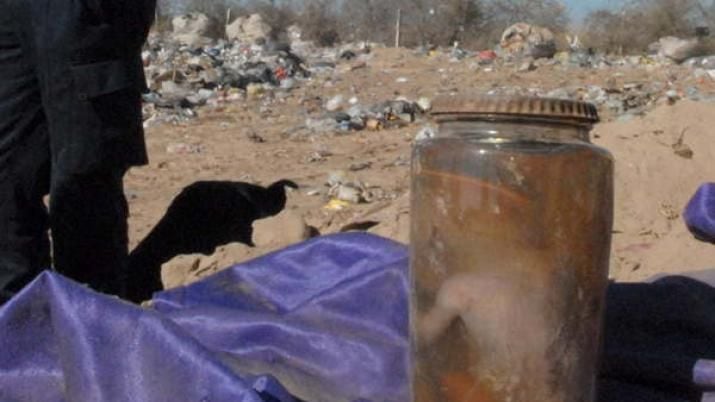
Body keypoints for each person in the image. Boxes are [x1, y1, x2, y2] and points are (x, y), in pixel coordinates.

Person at [0, 0, 156, 303]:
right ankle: (19, 326)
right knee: (5, 176)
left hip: (82, 14)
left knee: (83, 177)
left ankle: (91, 329)